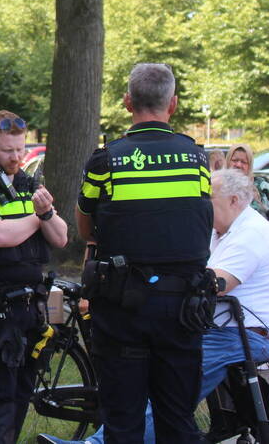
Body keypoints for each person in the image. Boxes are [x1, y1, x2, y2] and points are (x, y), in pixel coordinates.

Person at [38, 168, 269, 444]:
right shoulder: (221, 231)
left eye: (209, 198)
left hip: (242, 334)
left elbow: (216, 283)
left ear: (234, 200)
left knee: (170, 388)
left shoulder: (251, 232)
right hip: (213, 326)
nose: (202, 205)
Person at [75, 63, 212, 443]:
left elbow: (85, 227)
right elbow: (198, 219)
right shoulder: (196, 159)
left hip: (123, 309)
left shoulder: (105, 161)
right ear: (174, 104)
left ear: (127, 102)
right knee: (178, 420)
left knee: (123, 421)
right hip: (182, 310)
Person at [0, 110, 69, 443]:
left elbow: (61, 237)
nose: (16, 157)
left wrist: (45, 213)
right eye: (8, 150)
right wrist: (39, 218)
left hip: (31, 309)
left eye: (20, 149)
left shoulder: (29, 183)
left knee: (21, 397)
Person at [226, 143, 268, 215]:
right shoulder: (218, 185)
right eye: (235, 160)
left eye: (244, 162)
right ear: (227, 161)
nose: (238, 165)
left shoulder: (261, 185)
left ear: (250, 165)